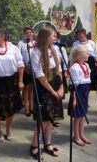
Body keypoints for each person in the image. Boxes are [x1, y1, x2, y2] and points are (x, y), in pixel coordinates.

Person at [30, 27, 64, 160]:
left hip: (55, 86)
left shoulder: (53, 50)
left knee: (50, 119)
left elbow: (59, 71)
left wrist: (61, 88)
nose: (54, 38)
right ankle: (34, 146)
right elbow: (40, 76)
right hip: (44, 88)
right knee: (42, 120)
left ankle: (47, 143)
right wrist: (52, 91)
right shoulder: (36, 52)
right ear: (46, 37)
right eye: (52, 36)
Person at [68, 45, 91, 146]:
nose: (88, 55)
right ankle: (76, 136)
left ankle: (81, 134)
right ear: (81, 55)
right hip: (77, 92)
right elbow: (73, 85)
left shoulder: (86, 65)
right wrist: (74, 99)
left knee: (83, 115)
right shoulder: (74, 67)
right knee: (77, 116)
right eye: (86, 53)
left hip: (85, 91)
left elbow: (87, 79)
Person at [18, 26, 35, 117]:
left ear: (33, 33)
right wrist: (25, 69)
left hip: (34, 70)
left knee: (32, 89)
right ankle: (26, 108)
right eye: (27, 33)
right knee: (25, 89)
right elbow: (19, 57)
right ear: (24, 34)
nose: (29, 34)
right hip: (24, 69)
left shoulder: (36, 43)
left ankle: (32, 107)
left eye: (30, 32)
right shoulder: (21, 43)